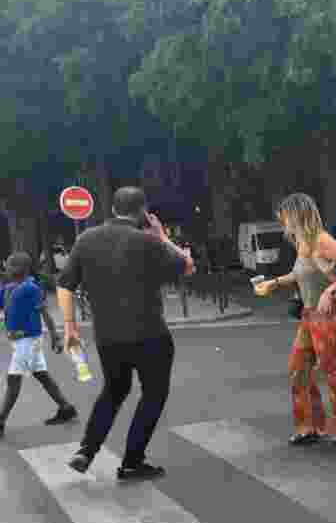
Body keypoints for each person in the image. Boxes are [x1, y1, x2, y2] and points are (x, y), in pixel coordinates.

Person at [58, 187, 193, 480]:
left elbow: (65, 284)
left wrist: (69, 326)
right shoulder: (147, 241)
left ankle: (86, 449)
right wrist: (161, 234)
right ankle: (132, 460)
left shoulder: (85, 239)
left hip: (108, 337)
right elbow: (187, 266)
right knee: (154, 393)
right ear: (142, 210)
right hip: (150, 334)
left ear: (114, 207)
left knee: (114, 391)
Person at [254, 194, 336, 445]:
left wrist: (330, 291)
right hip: (309, 314)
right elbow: (299, 274)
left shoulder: (322, 240)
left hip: (328, 313)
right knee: (298, 369)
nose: (283, 222)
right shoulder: (302, 241)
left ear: (297, 214)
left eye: (285, 217)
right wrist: (274, 283)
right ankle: (310, 427)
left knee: (334, 371)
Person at [0, 252, 75, 439]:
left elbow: (44, 313)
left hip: (29, 341)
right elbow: (6, 311)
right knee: (42, 375)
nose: (6, 269)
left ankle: (1, 420)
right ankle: (65, 407)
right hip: (20, 341)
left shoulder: (31, 288)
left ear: (20, 269)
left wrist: (55, 337)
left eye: (9, 266)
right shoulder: (8, 288)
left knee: (13, 379)